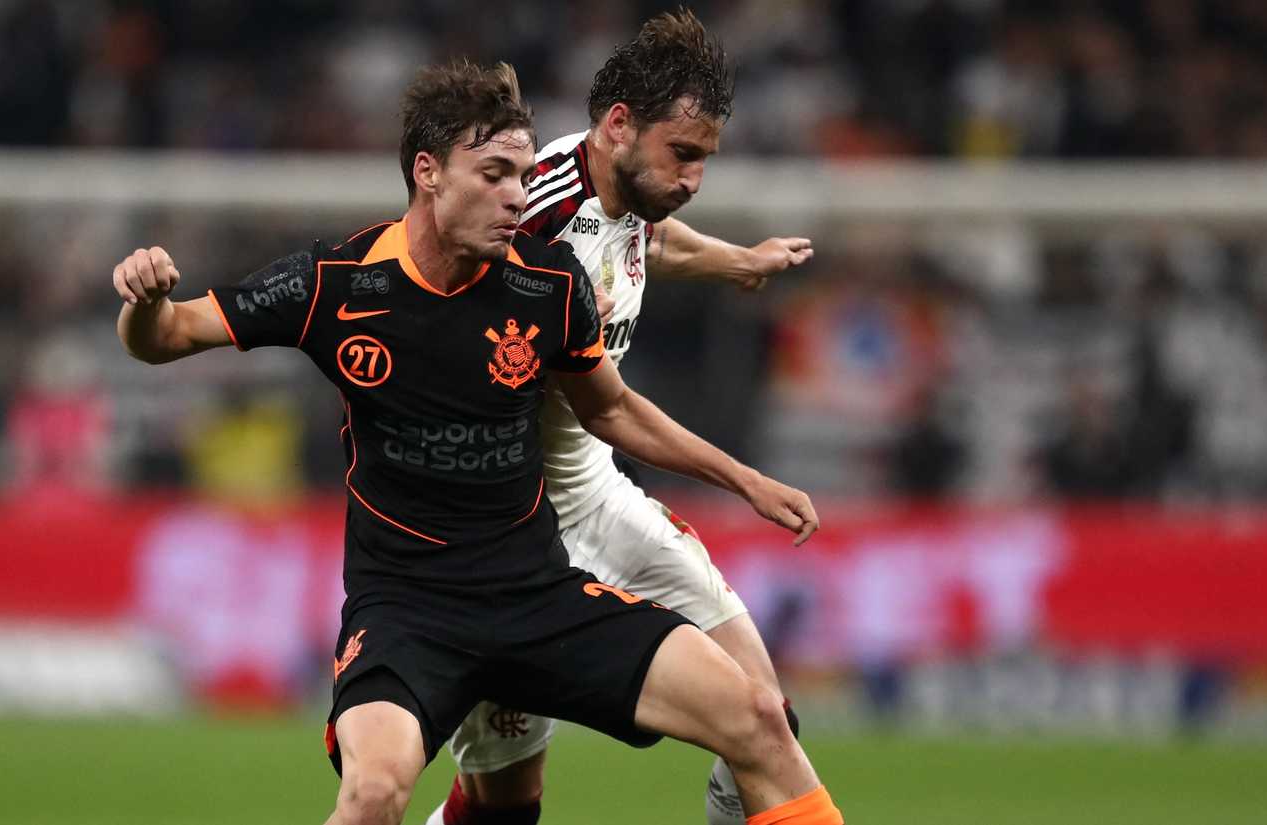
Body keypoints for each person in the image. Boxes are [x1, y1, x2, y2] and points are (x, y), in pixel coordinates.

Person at [111, 60, 842, 825]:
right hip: (406, 610)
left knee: (760, 717)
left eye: (523, 175)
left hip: (536, 592)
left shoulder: (548, 283)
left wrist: (746, 480)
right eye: (495, 174)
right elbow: (164, 336)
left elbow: (613, 411)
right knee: (376, 792)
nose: (518, 197)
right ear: (428, 172)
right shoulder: (335, 282)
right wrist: (146, 298)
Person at [423, 11, 814, 825]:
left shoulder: (624, 188)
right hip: (506, 534)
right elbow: (457, 321)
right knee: (503, 811)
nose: (694, 177)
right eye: (685, 155)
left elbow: (651, 241)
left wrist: (740, 260)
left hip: (599, 499)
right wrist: (744, 479)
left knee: (765, 715)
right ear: (618, 125)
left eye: (705, 158)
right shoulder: (532, 213)